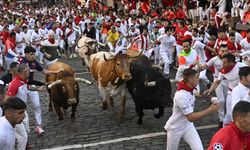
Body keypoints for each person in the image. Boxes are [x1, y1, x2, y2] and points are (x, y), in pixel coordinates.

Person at [164, 68, 220, 150]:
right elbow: (191, 117)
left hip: (187, 126)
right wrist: (210, 110)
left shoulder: (189, 89)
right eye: (197, 77)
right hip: (175, 128)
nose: (199, 79)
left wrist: (210, 96)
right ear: (191, 79)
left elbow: (196, 94)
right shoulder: (181, 96)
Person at [18, 46, 62, 135]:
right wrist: (42, 85)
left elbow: (43, 71)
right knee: (22, 108)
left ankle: (38, 126)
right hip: (21, 86)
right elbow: (28, 81)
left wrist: (55, 72)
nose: (33, 56)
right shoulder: (22, 63)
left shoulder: (34, 62)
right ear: (26, 54)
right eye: (31, 54)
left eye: (34, 54)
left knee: (37, 106)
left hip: (31, 85)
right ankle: (22, 128)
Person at [205, 54, 247, 126]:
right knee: (230, 114)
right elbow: (217, 81)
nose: (222, 64)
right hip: (231, 93)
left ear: (231, 62)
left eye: (224, 62)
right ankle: (225, 128)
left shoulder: (241, 66)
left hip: (244, 92)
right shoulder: (223, 71)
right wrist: (210, 90)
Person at [198, 44, 229, 127]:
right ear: (219, 51)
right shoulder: (214, 59)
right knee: (222, 100)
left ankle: (213, 99)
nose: (224, 52)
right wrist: (198, 68)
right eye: (222, 51)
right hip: (217, 81)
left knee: (226, 100)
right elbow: (206, 66)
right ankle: (221, 120)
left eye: (226, 51)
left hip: (228, 81)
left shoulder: (230, 59)